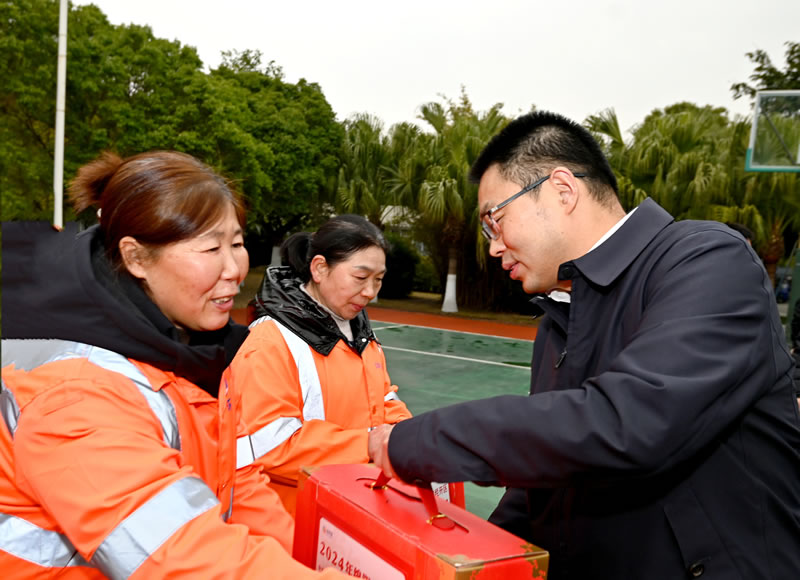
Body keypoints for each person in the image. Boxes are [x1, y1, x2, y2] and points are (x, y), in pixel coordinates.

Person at [368, 112, 800, 579]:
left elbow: (628, 422)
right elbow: (544, 478)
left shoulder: (706, 259)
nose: (493, 247)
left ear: (562, 190)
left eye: (495, 220)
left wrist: (420, 441)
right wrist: (477, 562)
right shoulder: (558, 319)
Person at [1, 151, 344, 579]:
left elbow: (235, 489)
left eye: (236, 243)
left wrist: (312, 562)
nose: (234, 269)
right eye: (211, 248)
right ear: (137, 258)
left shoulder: (191, 350)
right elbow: (180, 558)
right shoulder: (76, 393)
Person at [229, 214, 412, 516]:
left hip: (348, 507)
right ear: (319, 268)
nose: (370, 292)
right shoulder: (270, 340)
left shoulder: (361, 333)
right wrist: (370, 444)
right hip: (290, 520)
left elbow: (383, 400)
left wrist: (408, 433)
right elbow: (271, 446)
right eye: (360, 277)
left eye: (378, 280)